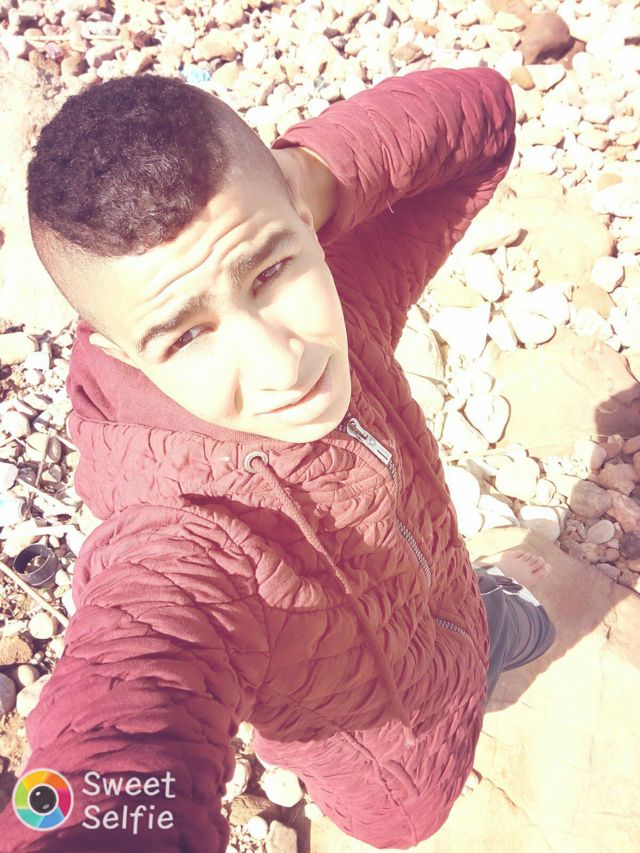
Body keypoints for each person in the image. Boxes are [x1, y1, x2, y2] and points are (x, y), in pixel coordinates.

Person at [0, 66, 556, 851]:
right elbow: (123, 722)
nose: (282, 366)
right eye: (185, 335)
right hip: (398, 772)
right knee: (419, 804)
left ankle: (484, 630)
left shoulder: (347, 289)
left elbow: (482, 117)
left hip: (450, 606)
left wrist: (311, 173)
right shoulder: (178, 545)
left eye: (268, 271)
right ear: (123, 353)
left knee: (488, 630)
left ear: (304, 220)